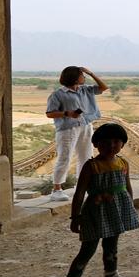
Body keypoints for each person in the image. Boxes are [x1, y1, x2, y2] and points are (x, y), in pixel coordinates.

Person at [61, 123, 139, 277]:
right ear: (96, 144)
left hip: (117, 211)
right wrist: (75, 217)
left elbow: (127, 187)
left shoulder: (123, 163)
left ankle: (111, 276)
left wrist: (130, 205)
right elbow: (80, 193)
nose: (111, 145)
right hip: (95, 213)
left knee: (112, 244)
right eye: (105, 142)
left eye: (116, 141)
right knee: (87, 250)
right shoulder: (91, 166)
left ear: (122, 144)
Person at [45, 66, 108, 201]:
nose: (84, 77)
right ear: (74, 77)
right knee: (65, 157)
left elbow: (103, 87)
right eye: (82, 75)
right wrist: (67, 113)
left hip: (85, 126)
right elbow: (49, 113)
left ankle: (83, 185)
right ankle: (56, 189)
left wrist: (90, 73)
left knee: (86, 157)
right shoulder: (58, 94)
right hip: (68, 129)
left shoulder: (86, 90)